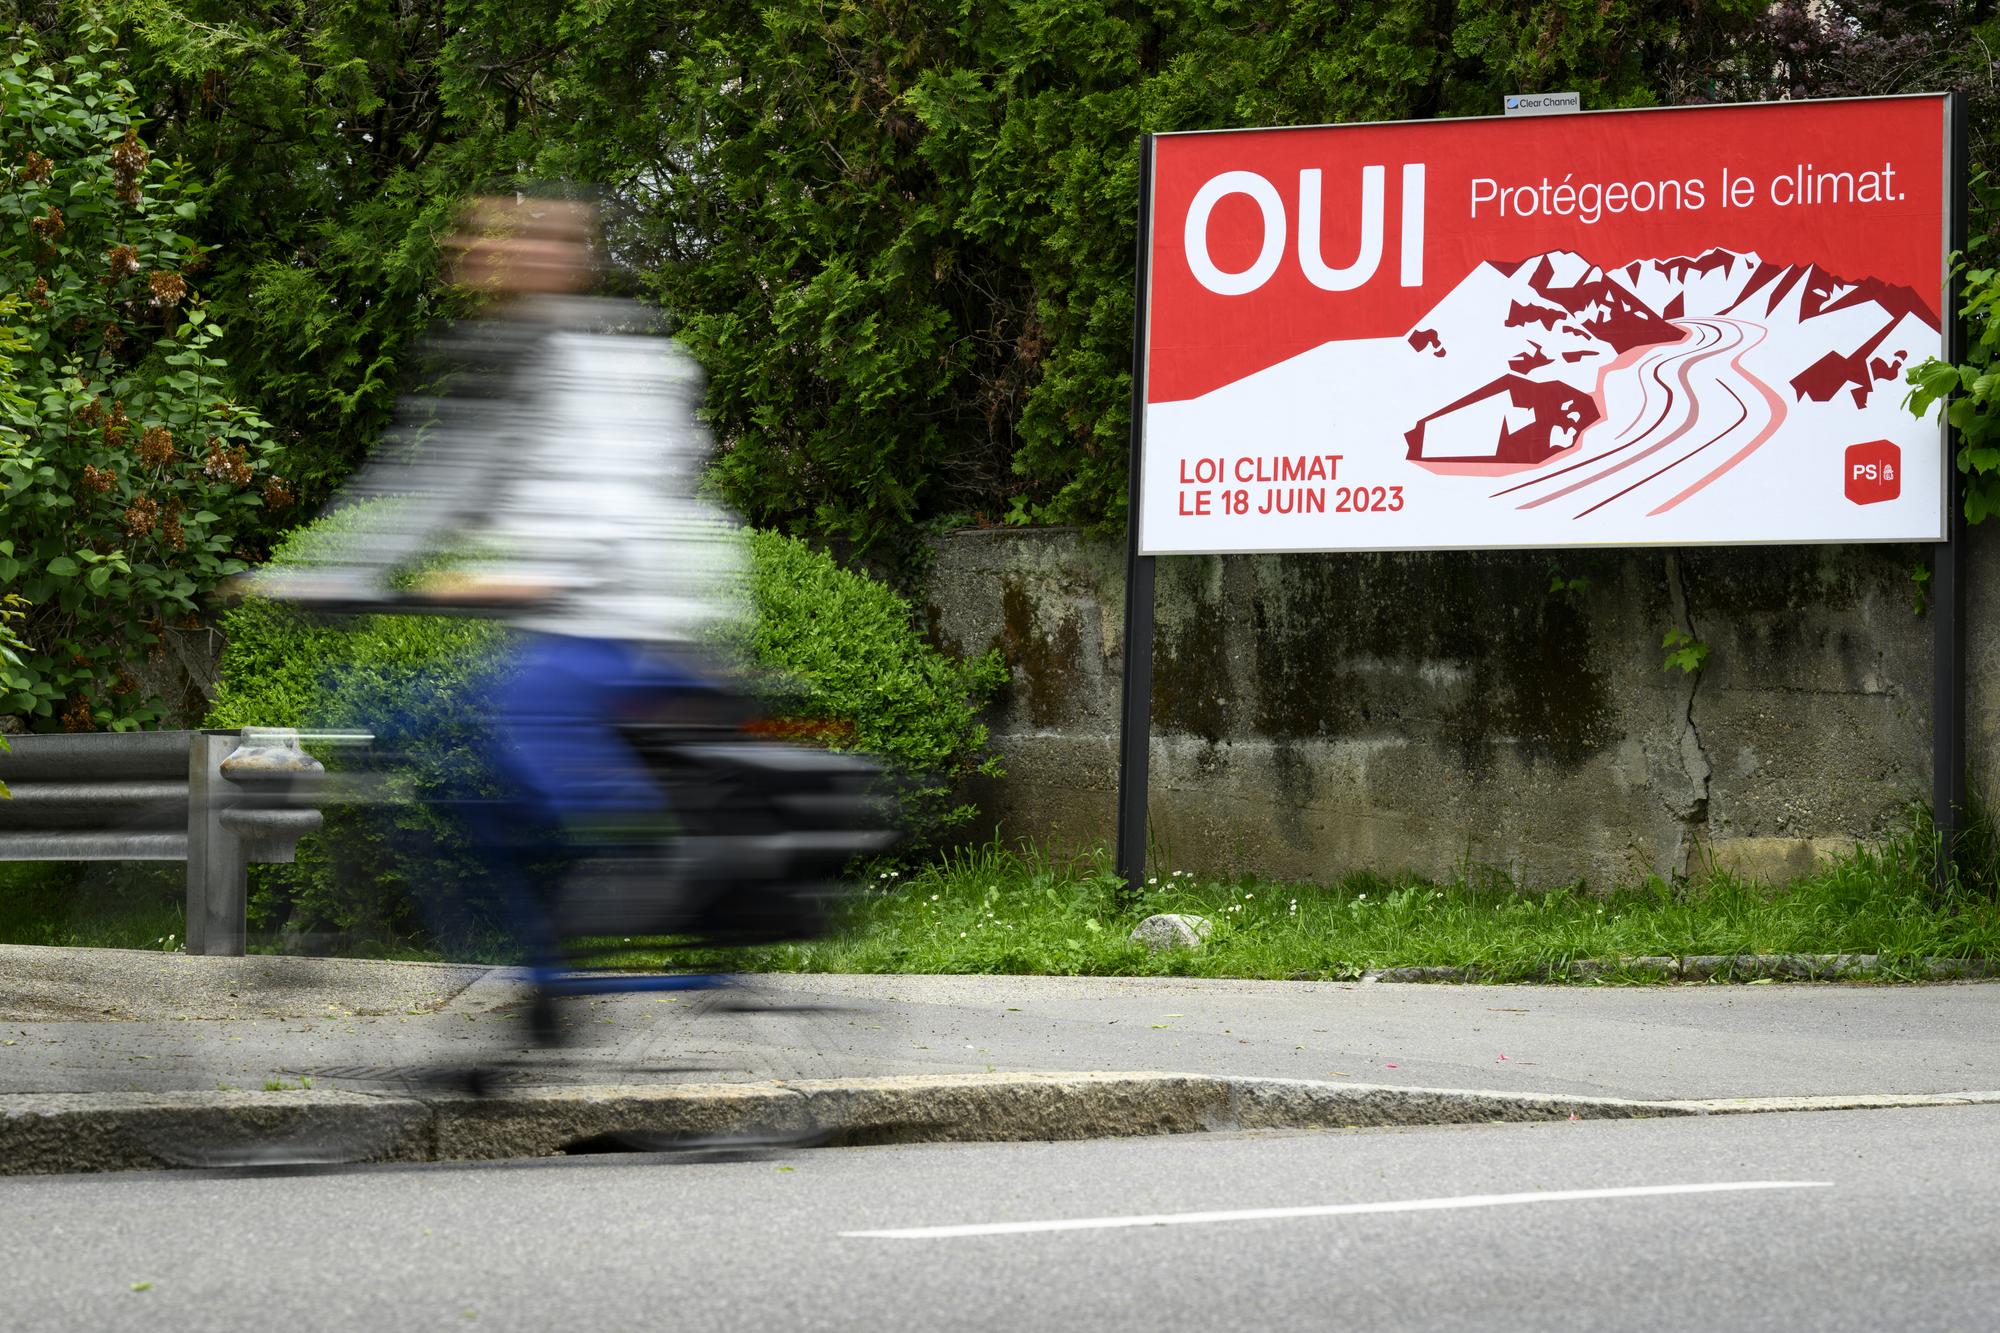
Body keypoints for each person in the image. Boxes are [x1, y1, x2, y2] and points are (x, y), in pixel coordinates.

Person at [253, 193, 752, 982]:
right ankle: (543, 969)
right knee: (434, 727)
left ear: (568, 258)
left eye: (525, 243)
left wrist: (537, 575)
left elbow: (627, 506)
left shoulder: (624, 363)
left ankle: (670, 872)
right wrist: (332, 571)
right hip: (567, 626)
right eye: (483, 244)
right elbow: (437, 487)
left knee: (531, 704)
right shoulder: (505, 362)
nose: (493, 258)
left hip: (643, 625)